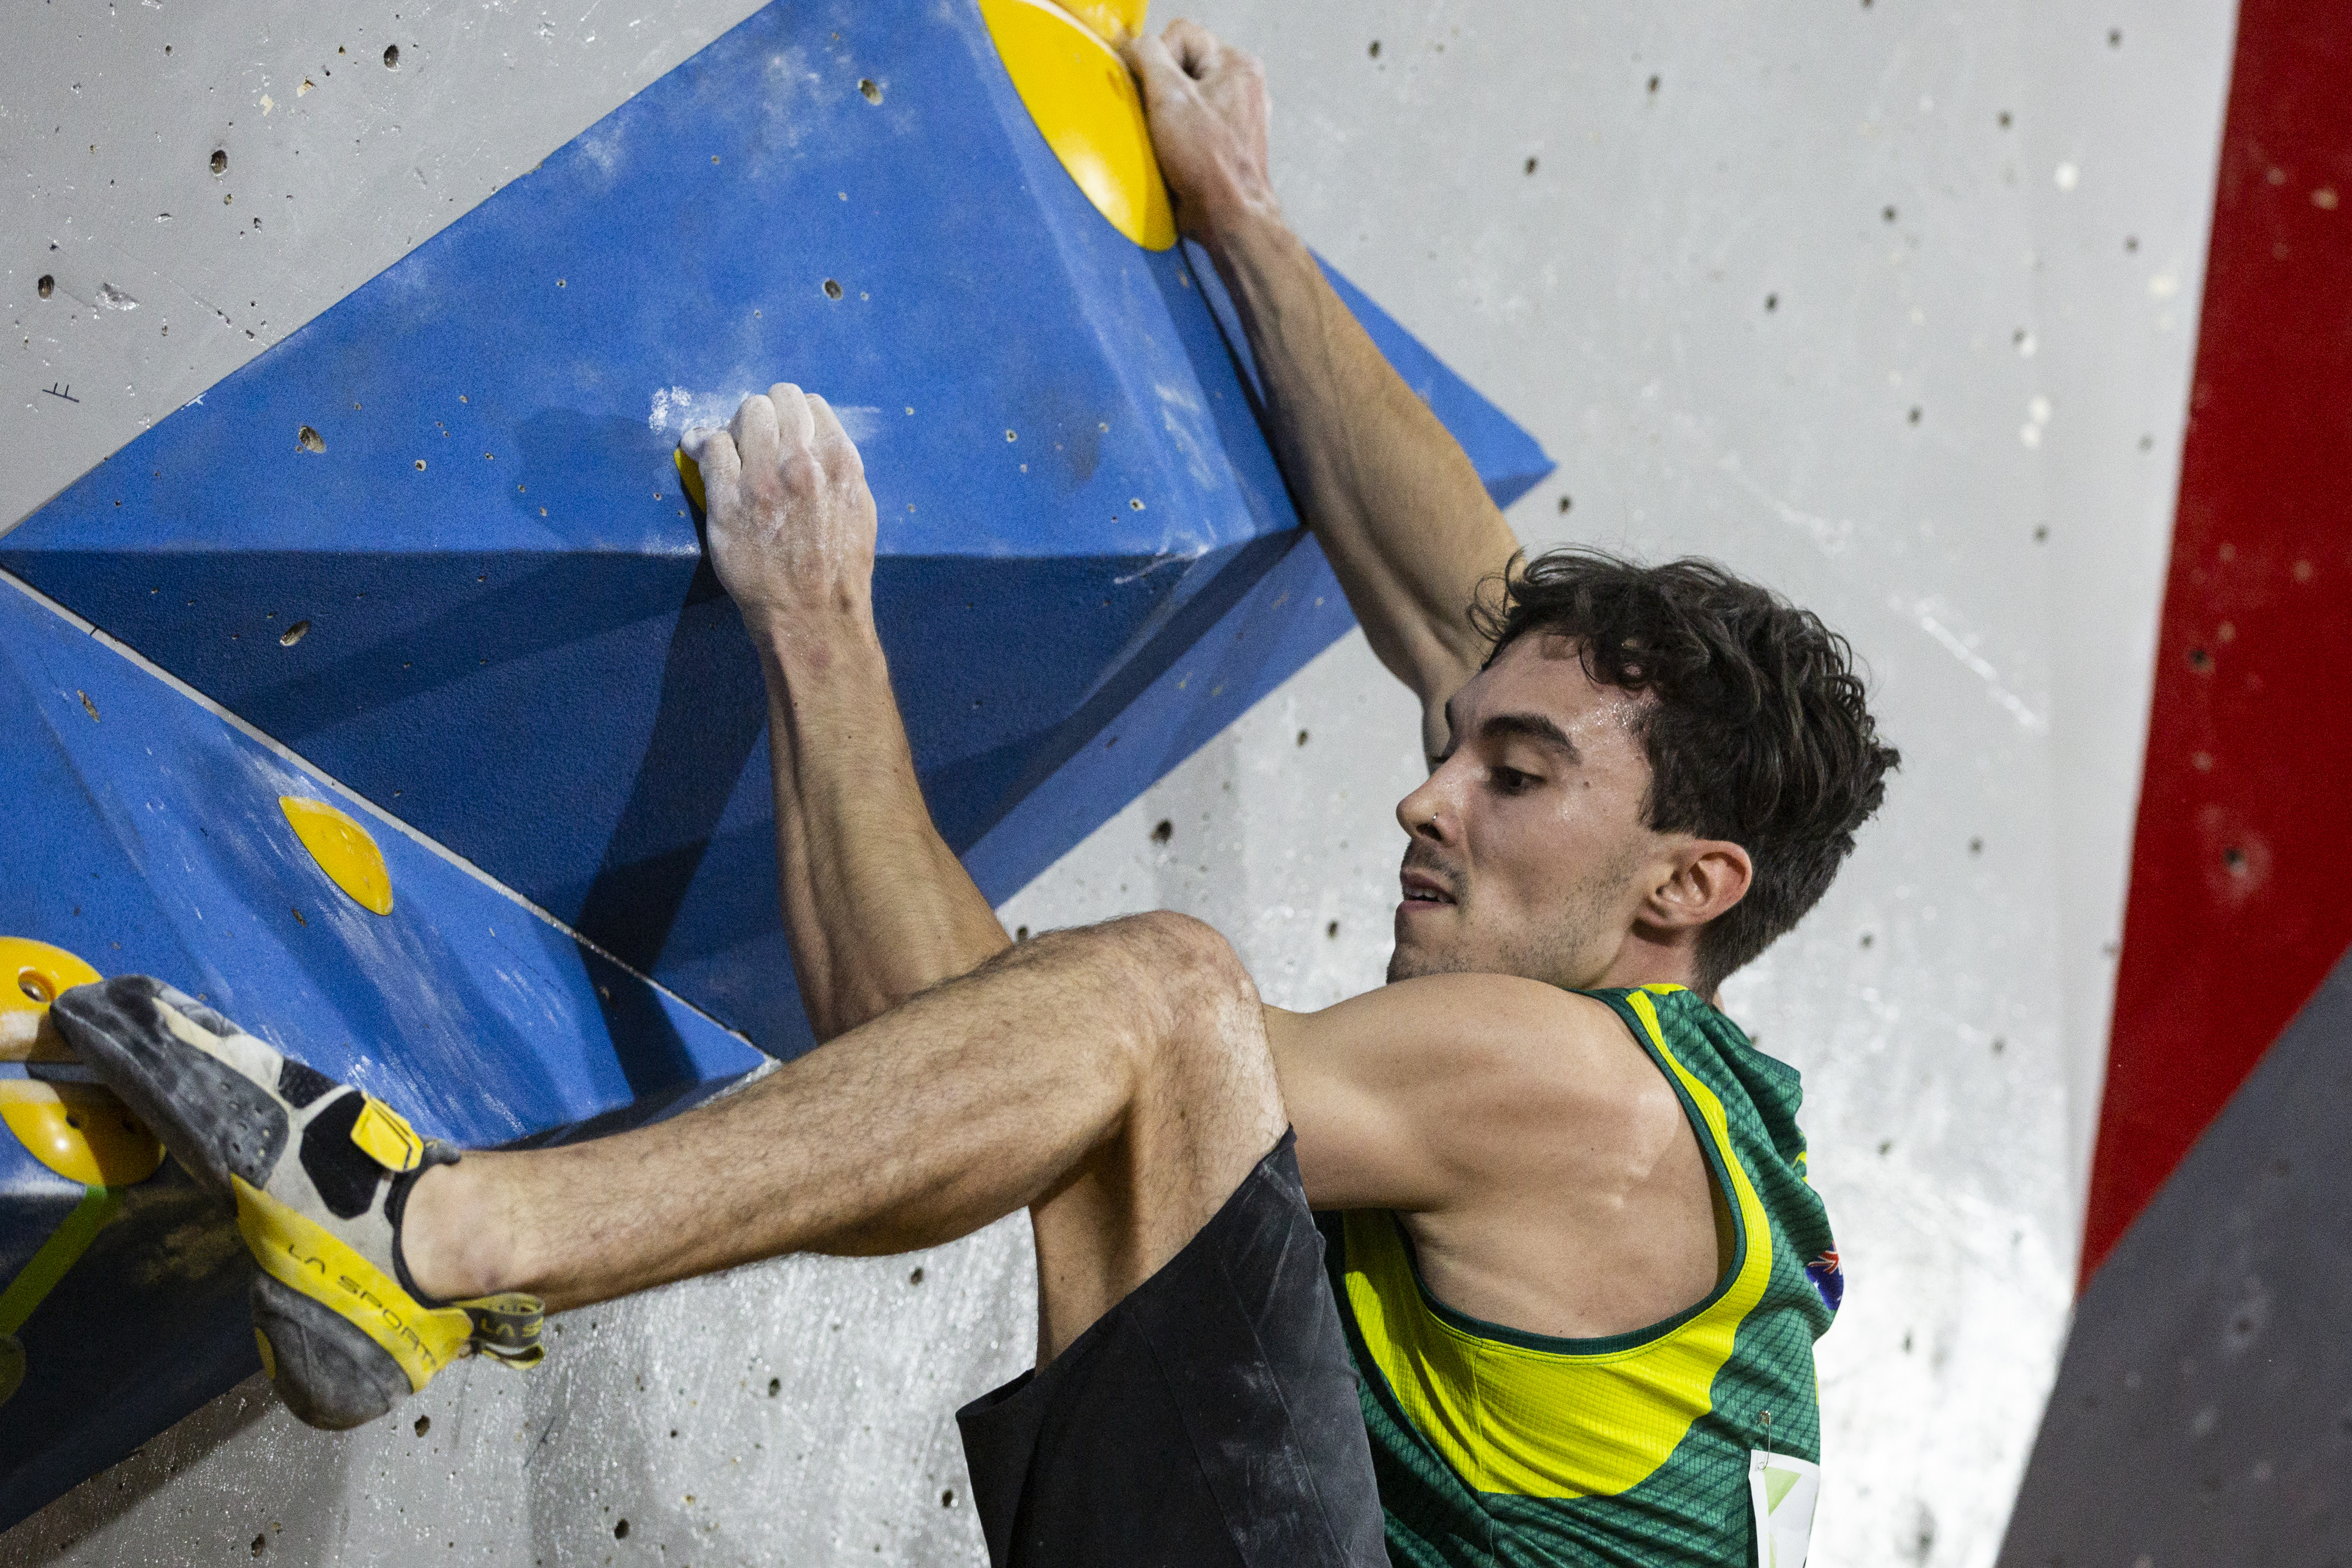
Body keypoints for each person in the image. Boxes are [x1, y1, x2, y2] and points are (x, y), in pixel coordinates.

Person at [52, 19, 1896, 1568]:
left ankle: (435, 1241)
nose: (1430, 803)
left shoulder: (1574, 1088)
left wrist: (826, 636)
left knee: (1173, 999)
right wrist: (1247, 225)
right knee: (1139, 1033)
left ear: (1687, 888)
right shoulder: (1692, 1142)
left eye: (1510, 776)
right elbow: (1460, 606)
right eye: (1452, 746)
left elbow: (994, 1039)